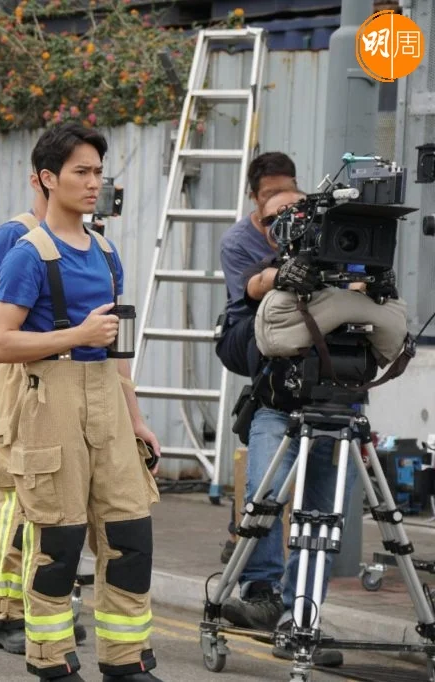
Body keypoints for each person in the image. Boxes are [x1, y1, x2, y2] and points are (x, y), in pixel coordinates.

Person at [0, 122, 162, 682]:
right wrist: (75, 335)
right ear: (47, 178)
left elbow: (115, 349)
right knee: (57, 543)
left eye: (98, 173)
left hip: (107, 398)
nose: (93, 184)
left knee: (129, 535)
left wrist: (136, 420)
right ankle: (51, 660)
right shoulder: (28, 254)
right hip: (52, 400)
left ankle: (125, 662)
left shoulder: (107, 253)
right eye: (81, 172)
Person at [219, 189, 352, 667]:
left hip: (338, 413)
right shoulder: (266, 273)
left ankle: (301, 617)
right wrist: (274, 282)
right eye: (275, 217)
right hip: (276, 408)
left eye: (297, 213)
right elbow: (241, 326)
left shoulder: (351, 271)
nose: (289, 223)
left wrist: (370, 292)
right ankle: (261, 593)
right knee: (263, 498)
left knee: (322, 519)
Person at [0, 171, 52, 655]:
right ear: (42, 179)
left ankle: (39, 606)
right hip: (19, 375)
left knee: (49, 497)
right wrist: (32, 332)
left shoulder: (81, 239)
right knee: (17, 497)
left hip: (56, 378)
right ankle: (4, 613)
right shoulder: (15, 234)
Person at [215, 152, 298, 565]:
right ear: (254, 199)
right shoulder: (238, 242)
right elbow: (249, 295)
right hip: (245, 330)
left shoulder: (314, 224)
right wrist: (280, 275)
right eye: (270, 197)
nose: (281, 209)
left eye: (288, 193)